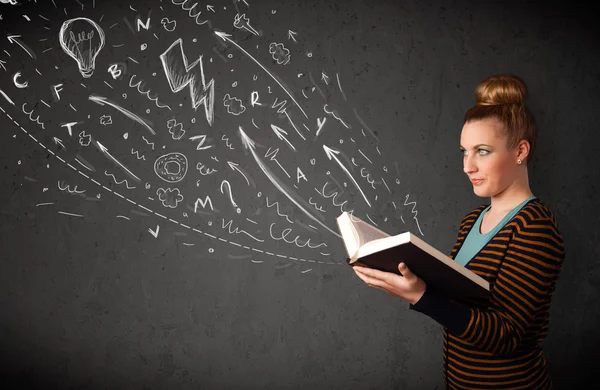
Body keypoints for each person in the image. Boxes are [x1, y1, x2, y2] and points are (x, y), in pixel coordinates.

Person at [352, 74, 565, 389]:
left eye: (482, 151)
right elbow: (462, 305)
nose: (468, 166)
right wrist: (407, 279)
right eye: (464, 152)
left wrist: (421, 297)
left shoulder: (534, 226)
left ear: (520, 150)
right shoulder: (472, 221)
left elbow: (507, 335)